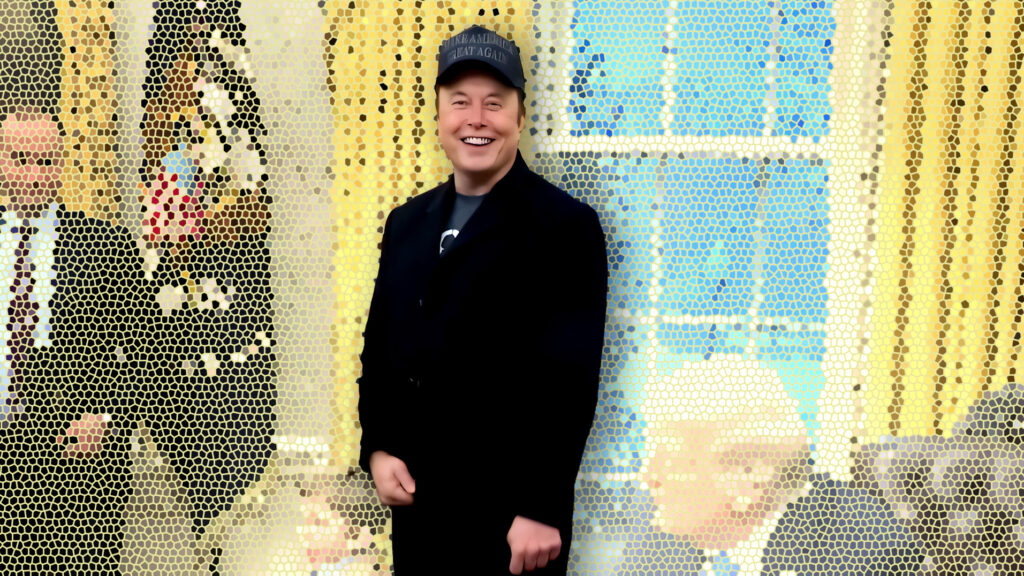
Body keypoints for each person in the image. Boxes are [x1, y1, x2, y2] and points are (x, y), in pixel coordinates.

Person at [356, 25, 608, 576]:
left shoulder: (566, 227)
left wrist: (541, 507)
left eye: (494, 103)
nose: (476, 119)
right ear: (439, 115)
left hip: (511, 522)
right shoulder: (406, 223)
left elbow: (569, 382)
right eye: (460, 102)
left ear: (520, 116)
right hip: (420, 510)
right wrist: (379, 446)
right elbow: (381, 351)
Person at [0, 107, 156, 573]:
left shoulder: (107, 246)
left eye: (46, 161)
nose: (34, 175)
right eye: (20, 159)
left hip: (79, 460)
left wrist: (106, 417)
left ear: (62, 164)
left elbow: (151, 353)